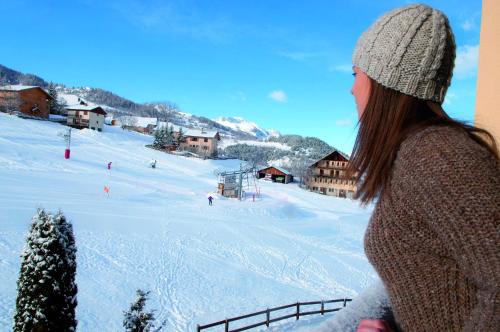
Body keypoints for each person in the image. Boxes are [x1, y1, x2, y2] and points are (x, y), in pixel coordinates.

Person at [345, 4, 499, 332]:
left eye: (355, 73)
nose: (352, 88)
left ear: (382, 79)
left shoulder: (438, 156)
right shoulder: (414, 155)